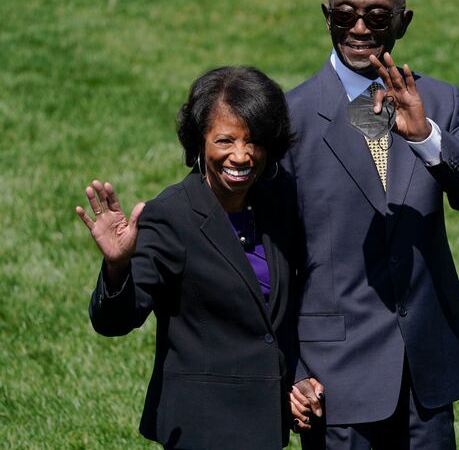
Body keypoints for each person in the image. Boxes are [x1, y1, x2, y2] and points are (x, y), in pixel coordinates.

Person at [283, 0, 459, 449]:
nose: (359, 29)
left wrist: (426, 137)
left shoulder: (439, 102)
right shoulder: (289, 119)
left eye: (378, 18)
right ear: (327, 17)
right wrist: (296, 369)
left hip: (426, 370)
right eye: (345, 15)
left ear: (404, 23)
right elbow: (277, 257)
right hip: (333, 374)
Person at [77, 66, 321, 449]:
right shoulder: (171, 214)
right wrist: (117, 265)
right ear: (199, 142)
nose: (240, 155)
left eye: (253, 141)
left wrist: (297, 376)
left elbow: (281, 314)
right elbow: (116, 320)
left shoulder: (277, 205)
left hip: (267, 426)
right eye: (225, 140)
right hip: (201, 428)